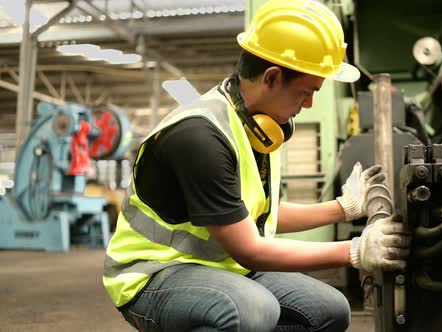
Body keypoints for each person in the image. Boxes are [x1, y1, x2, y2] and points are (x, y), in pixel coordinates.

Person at [103, 0, 411, 331]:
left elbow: (260, 215)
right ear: (272, 77)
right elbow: (249, 249)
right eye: (306, 92)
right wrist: (354, 250)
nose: (308, 104)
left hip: (219, 270)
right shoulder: (199, 138)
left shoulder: (257, 126)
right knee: (251, 310)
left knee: (330, 310)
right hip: (154, 276)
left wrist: (344, 209)